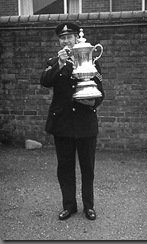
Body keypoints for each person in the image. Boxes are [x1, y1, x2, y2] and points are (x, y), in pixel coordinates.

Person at [40, 22, 105, 221]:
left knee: (88, 168)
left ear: (77, 38)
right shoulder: (54, 61)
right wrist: (59, 65)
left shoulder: (90, 59)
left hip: (85, 122)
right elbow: (45, 81)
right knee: (65, 168)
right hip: (63, 124)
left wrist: (93, 100)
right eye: (62, 38)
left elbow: (100, 91)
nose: (66, 41)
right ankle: (69, 206)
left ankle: (89, 206)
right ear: (59, 41)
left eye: (69, 37)